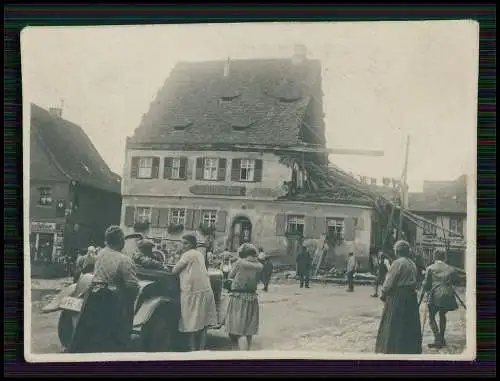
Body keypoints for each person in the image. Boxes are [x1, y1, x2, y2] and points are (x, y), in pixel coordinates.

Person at [68, 226, 140, 353]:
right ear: (121, 241)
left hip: (94, 298)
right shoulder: (125, 260)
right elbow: (132, 286)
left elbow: (86, 266)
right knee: (113, 340)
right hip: (112, 302)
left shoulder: (101, 253)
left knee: (92, 336)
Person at [171, 234, 218, 351]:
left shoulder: (187, 254)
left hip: (192, 291)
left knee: (190, 321)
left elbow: (174, 270)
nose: (182, 245)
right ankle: (201, 349)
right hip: (205, 290)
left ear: (191, 244)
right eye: (182, 243)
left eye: (185, 243)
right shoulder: (199, 254)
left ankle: (192, 349)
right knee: (204, 322)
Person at [375, 240, 422, 354]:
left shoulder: (398, 263)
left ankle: (393, 349)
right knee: (408, 324)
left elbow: (389, 281)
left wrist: (383, 292)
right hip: (410, 297)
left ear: (397, 251)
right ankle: (409, 349)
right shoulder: (412, 263)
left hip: (398, 297)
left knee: (394, 324)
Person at [225, 243, 264, 350]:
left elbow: (230, 275)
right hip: (252, 297)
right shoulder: (260, 266)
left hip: (238, 296)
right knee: (248, 331)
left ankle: (241, 356)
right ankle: (247, 353)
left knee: (238, 331)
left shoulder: (240, 263)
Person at [421, 249, 459, 349]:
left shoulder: (430, 268)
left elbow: (426, 284)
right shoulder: (450, 268)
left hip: (436, 295)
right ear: (444, 257)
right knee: (442, 314)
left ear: (434, 257)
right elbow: (457, 281)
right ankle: (442, 338)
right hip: (448, 295)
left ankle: (438, 339)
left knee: (431, 317)